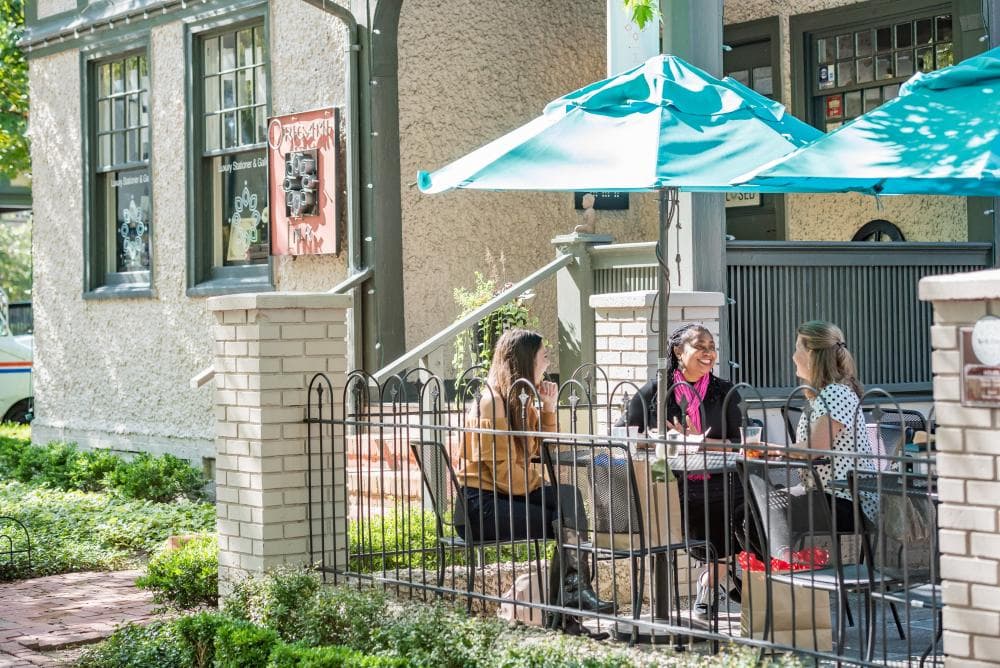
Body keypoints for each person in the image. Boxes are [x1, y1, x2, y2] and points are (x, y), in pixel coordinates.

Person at [454, 328, 613, 616]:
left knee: (568, 497)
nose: (548, 364)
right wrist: (538, 484)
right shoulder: (492, 402)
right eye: (544, 357)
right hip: (480, 507)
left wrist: (549, 408)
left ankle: (573, 593)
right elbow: (503, 474)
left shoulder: (519, 401)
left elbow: (546, 452)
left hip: (506, 496)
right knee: (560, 518)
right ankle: (569, 598)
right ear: (525, 361)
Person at [618, 323, 744, 618]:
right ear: (678, 351)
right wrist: (661, 440)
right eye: (700, 346)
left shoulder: (725, 392)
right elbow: (625, 436)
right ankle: (719, 578)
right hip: (670, 482)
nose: (709, 353)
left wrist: (698, 443)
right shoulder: (654, 392)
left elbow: (740, 442)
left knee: (734, 514)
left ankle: (708, 582)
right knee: (692, 518)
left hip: (721, 480)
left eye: (712, 348)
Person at [791, 320, 877, 529]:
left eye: (797, 349)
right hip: (825, 493)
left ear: (811, 354)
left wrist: (771, 450)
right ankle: (787, 560)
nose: (793, 357)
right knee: (751, 511)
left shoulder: (835, 393)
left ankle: (787, 561)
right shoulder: (824, 394)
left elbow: (815, 448)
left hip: (846, 500)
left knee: (760, 512)